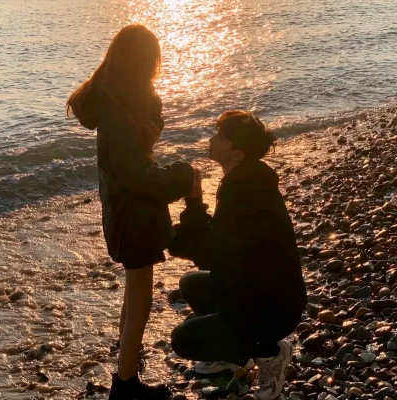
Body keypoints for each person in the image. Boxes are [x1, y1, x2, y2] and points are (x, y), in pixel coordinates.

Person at [67, 25, 194, 400]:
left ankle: (127, 370)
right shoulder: (117, 115)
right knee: (139, 302)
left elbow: (135, 160)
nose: (155, 69)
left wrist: (151, 114)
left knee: (133, 295)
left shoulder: (119, 103)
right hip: (133, 217)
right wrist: (181, 176)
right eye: (152, 62)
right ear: (139, 63)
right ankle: (125, 386)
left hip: (127, 212)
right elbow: (137, 175)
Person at [168, 110, 307, 400]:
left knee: (183, 340)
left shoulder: (245, 190)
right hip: (256, 291)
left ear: (237, 153)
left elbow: (210, 253)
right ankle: (231, 354)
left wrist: (193, 202)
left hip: (271, 306)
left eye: (221, 136)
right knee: (191, 283)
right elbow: (220, 244)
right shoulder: (247, 179)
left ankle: (270, 353)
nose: (212, 139)